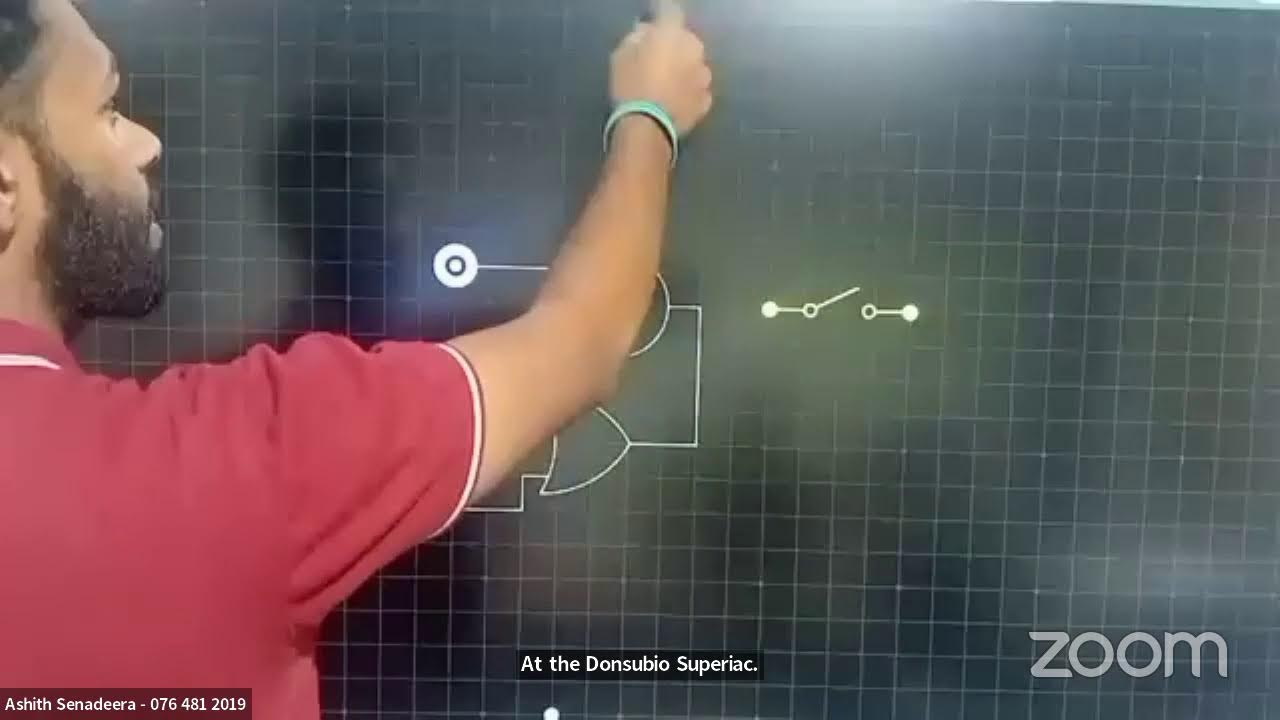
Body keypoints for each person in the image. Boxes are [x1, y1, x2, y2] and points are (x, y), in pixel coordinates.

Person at [0, 0, 713, 715]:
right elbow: (581, 339)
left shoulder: (242, 406)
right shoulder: (242, 448)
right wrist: (649, 113)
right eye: (106, 110)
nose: (146, 143)